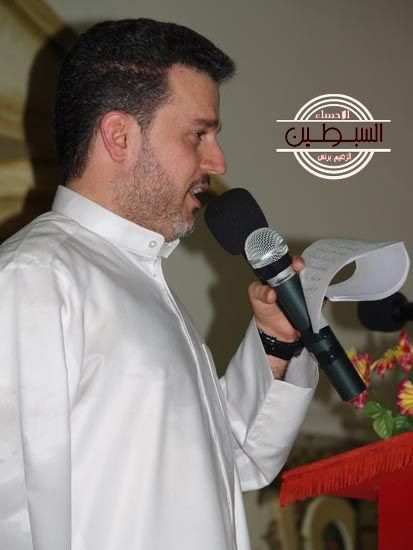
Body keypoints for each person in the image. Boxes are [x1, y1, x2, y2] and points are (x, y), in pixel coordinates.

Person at [0, 19, 318, 550]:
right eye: (199, 135)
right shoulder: (37, 276)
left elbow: (228, 462)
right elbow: (14, 509)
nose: (218, 161)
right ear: (120, 136)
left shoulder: (140, 278)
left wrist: (276, 343)